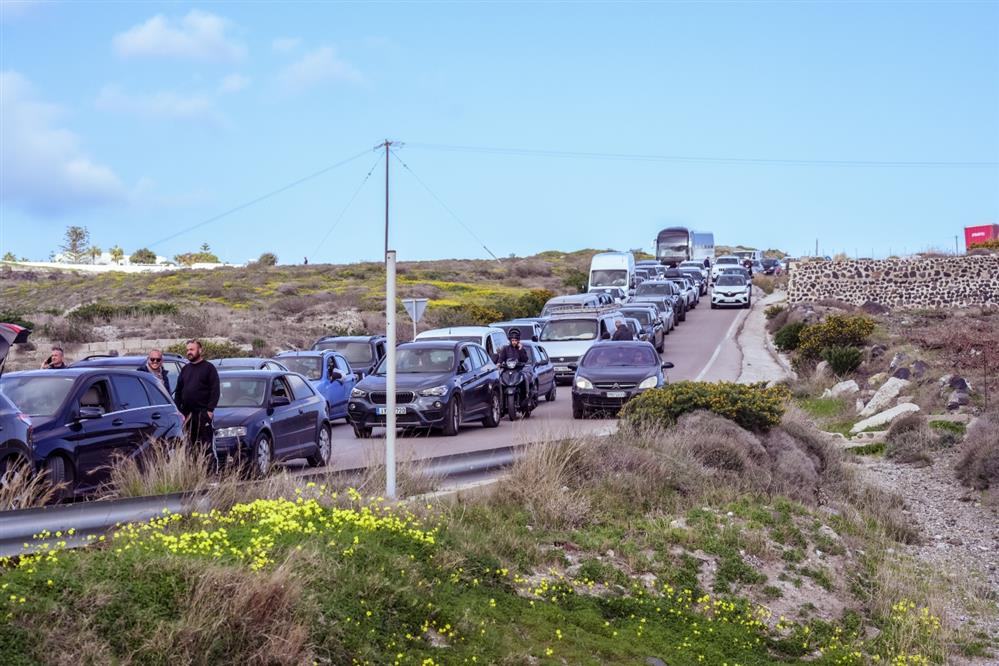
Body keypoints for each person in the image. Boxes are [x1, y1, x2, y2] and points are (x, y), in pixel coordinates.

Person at [174, 339, 220, 450]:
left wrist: (209, 411)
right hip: (187, 416)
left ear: (200, 350)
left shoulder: (209, 368)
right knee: (190, 448)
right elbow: (178, 391)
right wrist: (179, 411)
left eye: (192, 349)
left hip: (202, 415)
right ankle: (193, 467)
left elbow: (215, 390)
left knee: (205, 448)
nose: (189, 352)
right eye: (187, 350)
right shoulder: (185, 369)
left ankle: (209, 468)